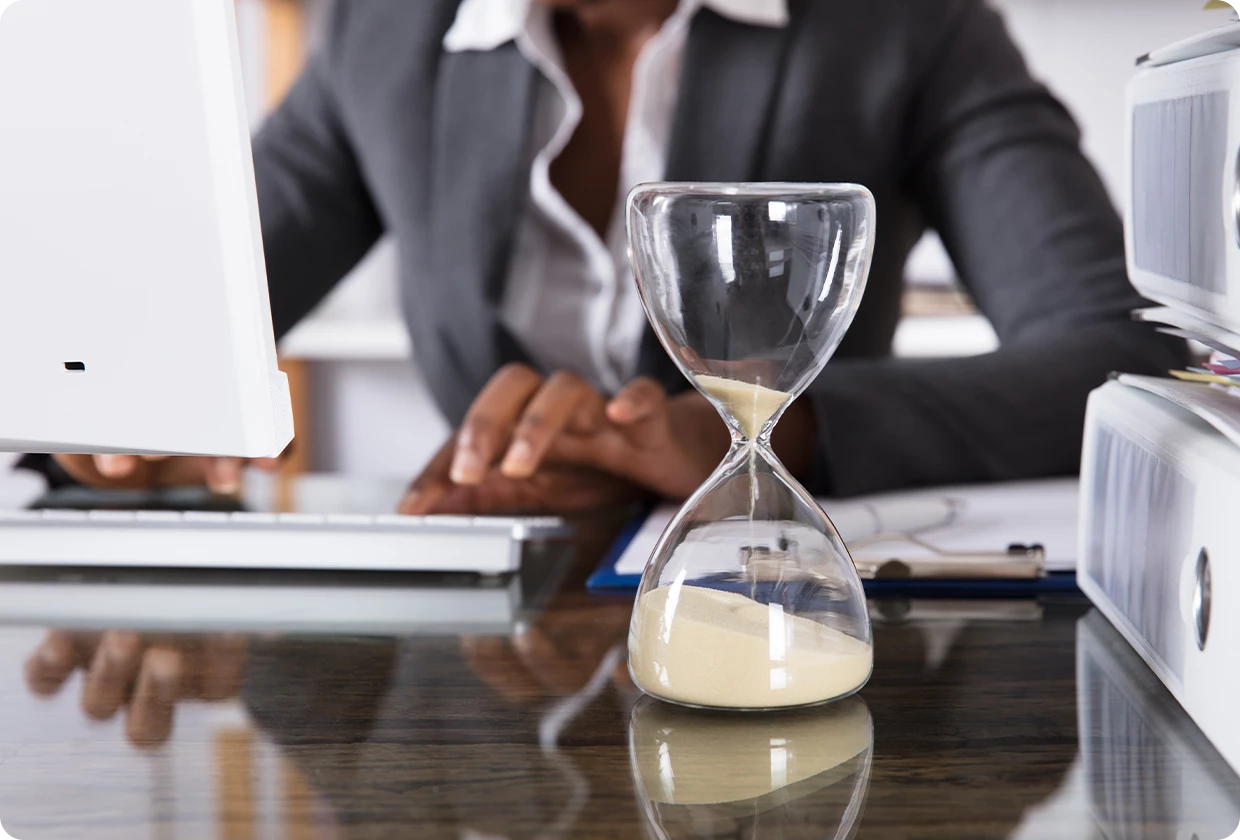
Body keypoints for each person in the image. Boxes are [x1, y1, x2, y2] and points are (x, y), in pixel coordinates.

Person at [42, 0, 1186, 513]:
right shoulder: (380, 33)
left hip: (764, 588)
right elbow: (175, 319)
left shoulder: (909, 28)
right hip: (481, 652)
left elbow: (1113, 346)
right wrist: (133, 417)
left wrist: (758, 426)